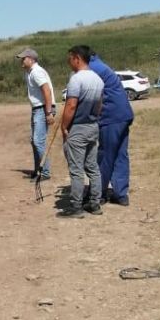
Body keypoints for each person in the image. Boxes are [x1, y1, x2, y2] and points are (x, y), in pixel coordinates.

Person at [58, 45, 104, 218]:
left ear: (77, 58)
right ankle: (95, 203)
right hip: (93, 126)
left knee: (76, 169)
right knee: (92, 167)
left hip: (78, 127)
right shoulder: (98, 80)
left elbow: (71, 106)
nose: (69, 62)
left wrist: (64, 126)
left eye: (70, 58)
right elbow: (100, 105)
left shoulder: (77, 80)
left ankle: (76, 207)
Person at [88, 51, 133, 206]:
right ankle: (121, 194)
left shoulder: (92, 68)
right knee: (120, 154)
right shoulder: (102, 66)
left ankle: (98, 193)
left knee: (106, 154)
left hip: (111, 116)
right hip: (123, 115)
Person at [16, 48, 55, 180]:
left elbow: (46, 91)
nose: (21, 60)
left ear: (31, 59)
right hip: (37, 108)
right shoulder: (30, 72)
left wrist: (48, 112)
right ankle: (38, 169)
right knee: (35, 141)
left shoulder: (37, 72)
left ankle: (45, 172)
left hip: (42, 108)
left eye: (24, 58)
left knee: (38, 141)